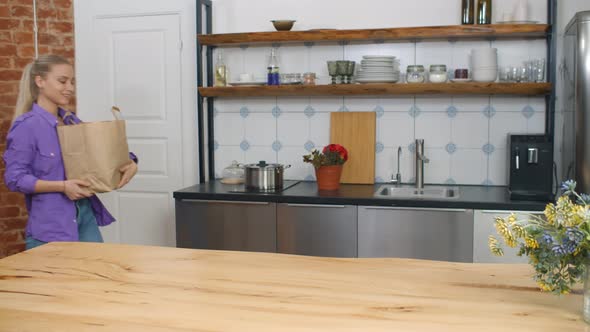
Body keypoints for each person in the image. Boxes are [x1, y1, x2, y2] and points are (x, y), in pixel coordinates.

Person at [3, 55, 138, 250]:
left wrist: (132, 162)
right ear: (40, 81)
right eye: (62, 81)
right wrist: (63, 186)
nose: (70, 88)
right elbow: (15, 178)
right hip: (50, 228)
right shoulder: (26, 127)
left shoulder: (70, 120)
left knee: (96, 277)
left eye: (72, 81)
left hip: (85, 216)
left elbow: (101, 151)